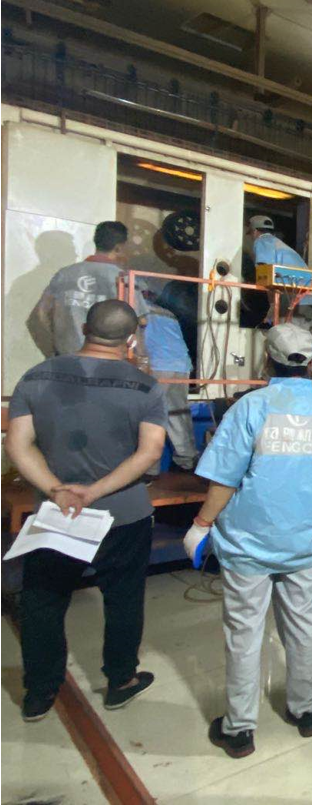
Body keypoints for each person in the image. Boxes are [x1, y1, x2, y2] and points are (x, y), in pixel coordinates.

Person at [185, 323, 312, 759]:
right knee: (304, 623)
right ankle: (307, 711)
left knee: (245, 631)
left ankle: (240, 729)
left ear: (266, 360)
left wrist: (201, 524)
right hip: (304, 541)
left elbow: (224, 479)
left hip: (249, 544)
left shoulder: (250, 408)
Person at [5, 300, 167, 721]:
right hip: (124, 514)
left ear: (83, 328)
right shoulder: (146, 387)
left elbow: (17, 444)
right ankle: (121, 681)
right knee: (124, 600)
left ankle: (39, 693)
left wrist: (56, 490)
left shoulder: (36, 376)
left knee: (43, 600)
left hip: (58, 514)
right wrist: (94, 491)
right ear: (130, 340)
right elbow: (150, 452)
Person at [27, 220, 149, 358]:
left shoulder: (65, 274)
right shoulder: (124, 279)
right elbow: (140, 322)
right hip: (107, 361)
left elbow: (40, 316)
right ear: (119, 247)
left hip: (67, 359)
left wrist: (54, 353)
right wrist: (141, 359)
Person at [142, 295, 198, 473]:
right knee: (177, 413)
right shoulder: (167, 313)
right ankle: (186, 460)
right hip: (181, 365)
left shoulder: (135, 308)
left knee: (148, 416)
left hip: (156, 366)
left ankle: (149, 470)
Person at [247, 215, 312, 327]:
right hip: (310, 300)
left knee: (282, 335)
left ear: (255, 232)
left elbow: (266, 273)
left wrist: (272, 305)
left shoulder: (261, 241)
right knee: (298, 335)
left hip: (293, 298)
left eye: (251, 234)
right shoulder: (279, 245)